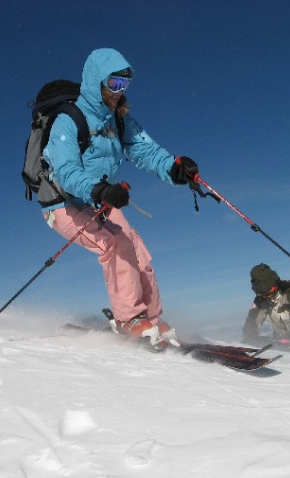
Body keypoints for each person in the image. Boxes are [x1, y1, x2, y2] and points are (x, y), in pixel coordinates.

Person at [40, 48, 198, 346]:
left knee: (136, 246)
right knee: (115, 243)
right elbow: (65, 171)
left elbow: (145, 151)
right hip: (62, 201)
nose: (120, 91)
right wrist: (99, 189)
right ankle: (129, 318)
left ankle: (150, 316)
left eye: (125, 85)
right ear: (97, 82)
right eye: (114, 84)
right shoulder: (67, 120)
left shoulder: (118, 119)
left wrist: (174, 170)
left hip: (101, 200)